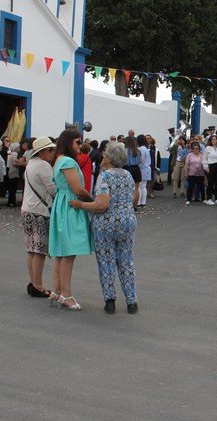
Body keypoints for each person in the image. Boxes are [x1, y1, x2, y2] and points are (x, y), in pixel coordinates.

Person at [70, 142, 139, 314]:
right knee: (126, 260)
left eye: (105, 154)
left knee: (106, 261)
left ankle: (110, 300)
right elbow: (134, 198)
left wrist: (81, 204)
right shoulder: (128, 175)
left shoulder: (105, 176)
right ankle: (131, 301)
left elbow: (101, 204)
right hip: (127, 222)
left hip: (106, 224)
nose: (103, 156)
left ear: (110, 158)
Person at [49, 129, 94, 311]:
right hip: (70, 206)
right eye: (77, 142)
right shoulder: (67, 161)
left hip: (62, 204)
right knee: (68, 253)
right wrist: (93, 201)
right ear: (68, 142)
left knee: (61, 253)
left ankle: (57, 291)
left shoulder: (59, 159)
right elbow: (77, 189)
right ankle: (66, 295)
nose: (80, 146)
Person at [21, 137, 57, 298]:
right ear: (41, 151)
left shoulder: (31, 163)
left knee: (31, 249)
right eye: (50, 150)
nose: (52, 152)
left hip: (27, 209)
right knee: (40, 250)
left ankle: (33, 282)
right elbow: (53, 189)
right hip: (40, 211)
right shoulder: (43, 165)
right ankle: (38, 286)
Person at [203, 135, 217, 205]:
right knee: (210, 183)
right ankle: (209, 198)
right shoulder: (207, 148)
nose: (214, 140)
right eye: (212, 139)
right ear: (210, 140)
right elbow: (204, 158)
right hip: (210, 167)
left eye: (215, 139)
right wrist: (206, 167)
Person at [184, 141, 205, 205]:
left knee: (201, 187)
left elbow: (204, 164)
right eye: (194, 148)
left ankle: (203, 199)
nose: (195, 150)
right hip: (191, 173)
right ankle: (188, 199)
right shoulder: (189, 155)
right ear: (192, 149)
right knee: (191, 187)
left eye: (197, 148)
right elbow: (186, 164)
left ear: (199, 149)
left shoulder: (202, 155)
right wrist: (186, 173)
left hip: (200, 173)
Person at [135, 135, 152, 209]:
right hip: (147, 168)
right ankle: (143, 203)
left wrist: (137, 166)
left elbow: (141, 160)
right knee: (143, 187)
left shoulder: (140, 149)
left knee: (138, 187)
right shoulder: (146, 148)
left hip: (142, 169)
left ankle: (138, 203)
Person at [6, 143, 22, 207]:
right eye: (18, 147)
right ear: (16, 148)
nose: (19, 148)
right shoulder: (15, 154)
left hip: (11, 172)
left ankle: (12, 202)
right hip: (14, 173)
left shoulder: (12, 154)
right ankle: (11, 202)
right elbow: (15, 163)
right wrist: (21, 164)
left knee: (12, 188)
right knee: (13, 189)